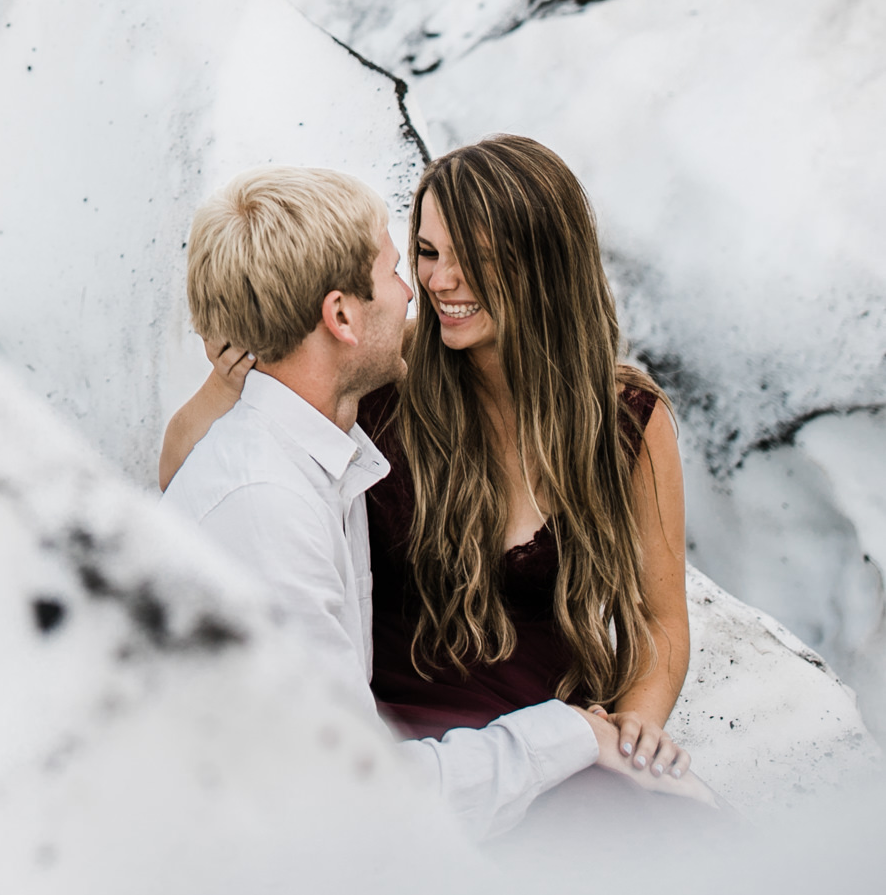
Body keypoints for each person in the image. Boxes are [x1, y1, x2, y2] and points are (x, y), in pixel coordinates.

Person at [157, 167, 699, 844]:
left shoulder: (623, 418)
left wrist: (631, 736)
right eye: (424, 253)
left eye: (476, 258)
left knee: (674, 849)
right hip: (407, 740)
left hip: (541, 730)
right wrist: (237, 367)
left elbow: (657, 616)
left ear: (545, 263)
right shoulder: (378, 375)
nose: (434, 283)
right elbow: (206, 475)